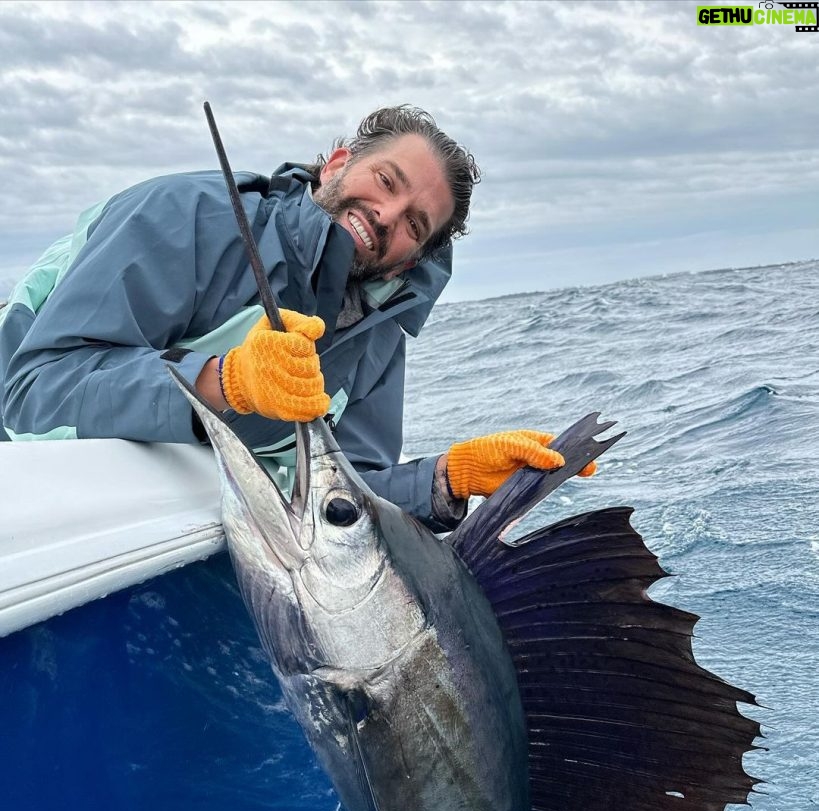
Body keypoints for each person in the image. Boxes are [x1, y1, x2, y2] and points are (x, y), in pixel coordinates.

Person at [0, 105, 591, 531]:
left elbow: (341, 495)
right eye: (386, 181)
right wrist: (225, 382)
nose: (387, 215)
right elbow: (31, 393)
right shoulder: (184, 214)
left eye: (415, 223)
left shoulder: (379, 332)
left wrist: (448, 480)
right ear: (335, 164)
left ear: (414, 256)